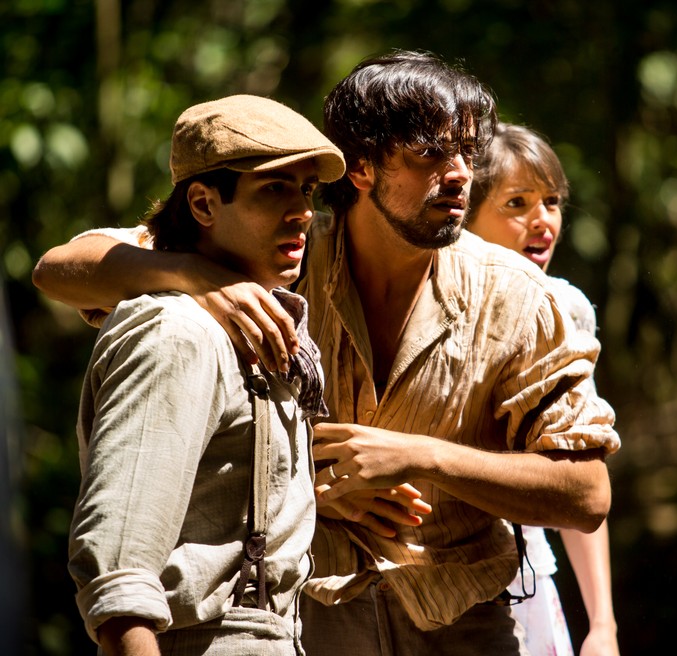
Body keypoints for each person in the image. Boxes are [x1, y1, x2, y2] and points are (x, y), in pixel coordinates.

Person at [33, 50, 620, 656]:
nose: (459, 175)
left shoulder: (518, 297)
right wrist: (190, 275)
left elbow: (587, 494)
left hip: (465, 624)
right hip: (308, 623)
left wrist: (421, 457)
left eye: (467, 154)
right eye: (429, 154)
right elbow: (58, 270)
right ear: (361, 168)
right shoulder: (280, 251)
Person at [59, 94, 346, 655]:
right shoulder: (177, 333)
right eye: (274, 189)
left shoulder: (253, 323)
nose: (302, 211)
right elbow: (119, 583)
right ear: (203, 204)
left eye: (307, 190)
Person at [467, 123, 620, 656]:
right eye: (517, 203)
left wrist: (602, 625)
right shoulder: (428, 305)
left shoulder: (566, 310)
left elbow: (577, 471)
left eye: (551, 202)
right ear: (465, 215)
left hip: (528, 578)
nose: (543, 221)